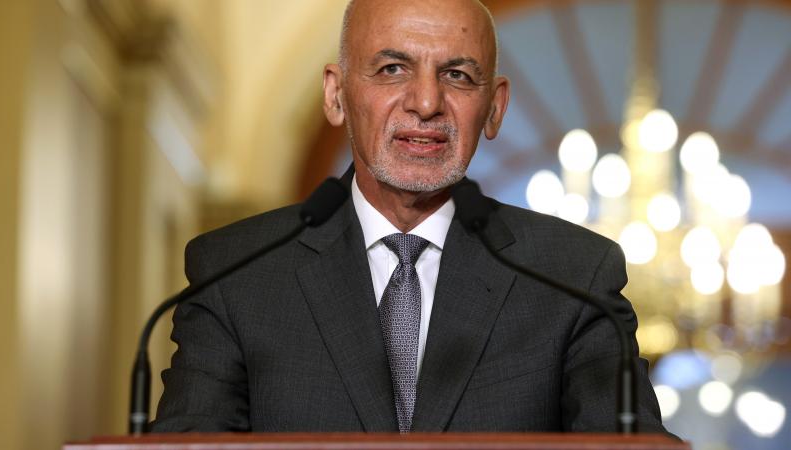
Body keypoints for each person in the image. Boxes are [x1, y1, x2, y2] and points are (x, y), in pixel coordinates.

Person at [153, 0, 668, 433]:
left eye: (458, 75)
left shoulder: (573, 276)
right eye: (392, 69)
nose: (426, 103)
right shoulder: (236, 273)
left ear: (494, 107)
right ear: (336, 94)